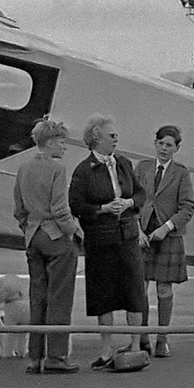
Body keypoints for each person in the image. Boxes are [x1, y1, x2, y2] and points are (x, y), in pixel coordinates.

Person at [68, 114, 148, 369]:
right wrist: (102, 209)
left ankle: (135, 347)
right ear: (96, 138)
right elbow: (76, 205)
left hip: (127, 236)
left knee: (134, 292)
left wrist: (128, 203)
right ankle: (106, 351)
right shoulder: (83, 170)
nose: (116, 139)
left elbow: (140, 193)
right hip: (100, 239)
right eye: (112, 136)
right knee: (104, 294)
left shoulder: (123, 163)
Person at [12, 116, 83, 374]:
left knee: (37, 297)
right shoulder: (56, 169)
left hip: (33, 236)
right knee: (59, 298)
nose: (65, 147)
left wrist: (28, 228)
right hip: (55, 237)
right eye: (62, 142)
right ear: (51, 142)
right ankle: (56, 356)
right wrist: (74, 232)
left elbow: (18, 208)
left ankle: (35, 357)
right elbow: (60, 209)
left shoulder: (23, 168)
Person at [134, 123, 194, 358]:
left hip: (167, 235)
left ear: (177, 149)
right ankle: (143, 336)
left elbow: (187, 208)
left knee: (163, 289)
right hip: (143, 235)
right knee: (140, 288)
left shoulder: (181, 173)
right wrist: (137, 230)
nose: (164, 149)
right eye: (161, 144)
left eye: (169, 145)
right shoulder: (142, 167)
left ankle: (162, 338)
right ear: (155, 144)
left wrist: (166, 228)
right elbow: (132, 200)